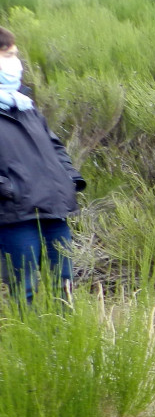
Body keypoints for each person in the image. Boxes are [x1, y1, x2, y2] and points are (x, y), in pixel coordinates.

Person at [0, 26, 84, 302]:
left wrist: (69, 178)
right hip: (15, 216)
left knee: (64, 287)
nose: (15, 63)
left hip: (53, 209)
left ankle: (65, 341)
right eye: (7, 55)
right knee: (24, 291)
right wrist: (9, 189)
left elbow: (55, 146)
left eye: (15, 55)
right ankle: (29, 343)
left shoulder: (25, 106)